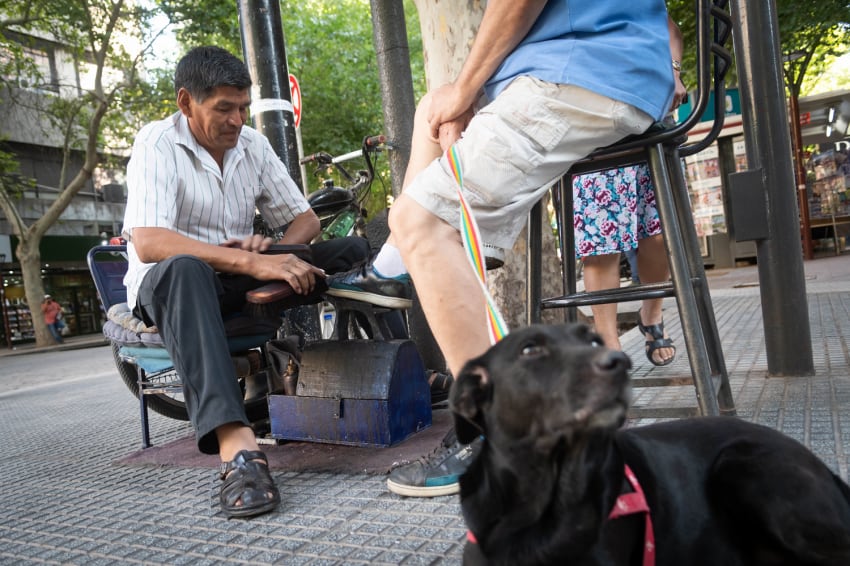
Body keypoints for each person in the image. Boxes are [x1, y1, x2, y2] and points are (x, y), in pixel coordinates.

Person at [327, 1, 676, 497]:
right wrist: (464, 97)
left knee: (418, 219)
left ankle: (490, 431)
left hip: (586, 72)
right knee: (434, 105)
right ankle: (397, 265)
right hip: (596, 67)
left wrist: (468, 91)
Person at [122, 46, 368, 518]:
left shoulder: (252, 145)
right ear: (185, 102)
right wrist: (250, 265)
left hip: (234, 275)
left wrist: (271, 254)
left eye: (242, 107)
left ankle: (389, 373)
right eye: (223, 109)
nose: (236, 120)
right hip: (170, 284)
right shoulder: (156, 143)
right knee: (186, 269)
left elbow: (304, 220)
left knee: (349, 248)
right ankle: (238, 450)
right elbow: (150, 243)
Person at [575, 15, 689, 367]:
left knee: (658, 235)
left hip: (648, 110)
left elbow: (670, 28)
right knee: (601, 243)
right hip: (587, 114)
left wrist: (673, 72)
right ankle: (609, 342)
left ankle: (651, 315)